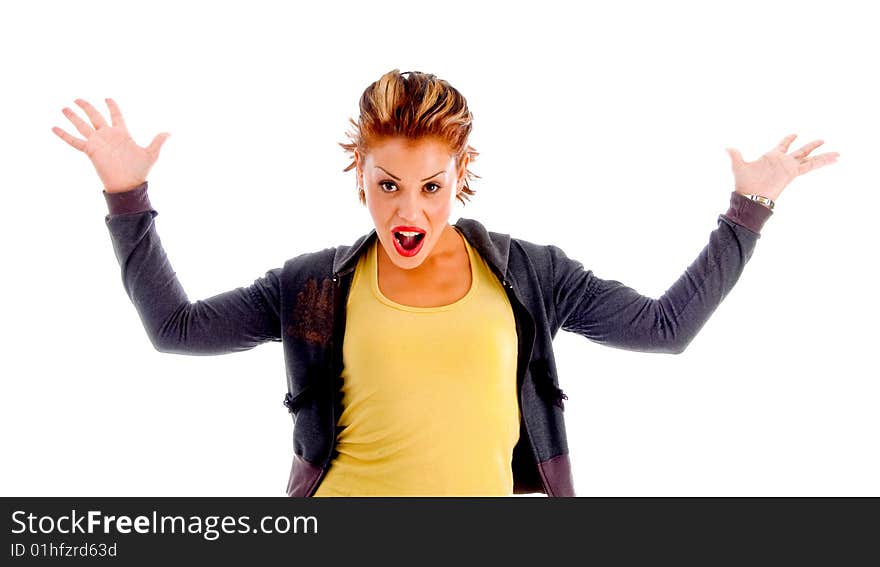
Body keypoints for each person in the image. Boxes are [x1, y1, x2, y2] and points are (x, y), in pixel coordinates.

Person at [52, 69, 838, 497]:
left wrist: (750, 209)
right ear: (358, 172)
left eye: (431, 185)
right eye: (387, 183)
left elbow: (666, 328)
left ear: (461, 176)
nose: (408, 207)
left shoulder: (531, 275)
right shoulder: (313, 287)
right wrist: (127, 198)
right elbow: (176, 330)